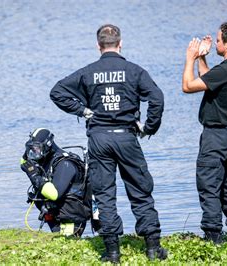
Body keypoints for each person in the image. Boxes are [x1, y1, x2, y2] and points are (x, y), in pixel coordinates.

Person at [50, 24, 167, 262]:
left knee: (104, 194)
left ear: (98, 46)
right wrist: (149, 127)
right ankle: (153, 248)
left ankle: (113, 252)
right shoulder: (134, 71)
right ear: (120, 43)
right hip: (126, 137)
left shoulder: (88, 72)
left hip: (99, 139)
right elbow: (157, 97)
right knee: (140, 190)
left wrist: (82, 110)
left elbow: (57, 92)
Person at [182, 22, 227, 244]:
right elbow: (210, 80)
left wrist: (190, 57)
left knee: (209, 185)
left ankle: (213, 237)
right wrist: (203, 58)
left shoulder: (226, 69)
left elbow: (189, 85)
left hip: (216, 137)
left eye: (219, 41)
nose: (217, 43)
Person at [20, 128, 94, 237]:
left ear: (47, 146)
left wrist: (35, 176)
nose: (33, 153)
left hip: (70, 217)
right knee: (58, 240)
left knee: (67, 243)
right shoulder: (45, 157)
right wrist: (28, 153)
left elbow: (54, 194)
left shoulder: (65, 164)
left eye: (36, 149)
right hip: (54, 213)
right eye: (31, 149)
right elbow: (24, 163)